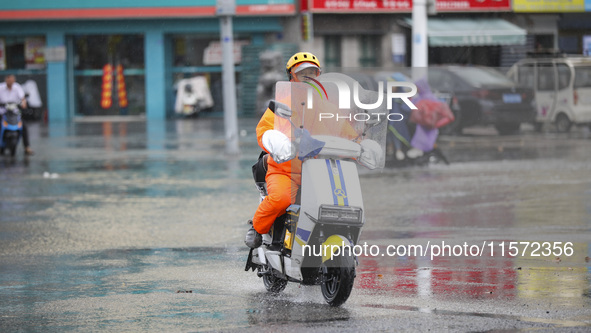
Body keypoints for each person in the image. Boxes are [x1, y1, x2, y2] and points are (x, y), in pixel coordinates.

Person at [245, 52, 322, 248]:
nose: (308, 77)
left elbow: (345, 130)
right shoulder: (281, 105)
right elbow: (264, 130)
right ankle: (257, 227)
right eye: (302, 73)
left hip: (321, 171)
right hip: (285, 170)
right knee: (281, 199)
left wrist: (361, 143)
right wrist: (277, 141)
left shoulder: (327, 106)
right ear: (291, 77)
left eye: (312, 72)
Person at [0, 75, 34, 155]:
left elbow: (23, 99)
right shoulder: (1, 87)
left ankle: (27, 147)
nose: (10, 83)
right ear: (6, 80)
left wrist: (23, 104)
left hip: (15, 113)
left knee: (24, 126)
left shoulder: (17, 87)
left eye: (12, 81)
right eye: (8, 81)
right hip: (3, 113)